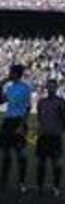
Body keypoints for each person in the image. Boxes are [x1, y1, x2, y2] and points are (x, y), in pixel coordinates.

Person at [0, 63, 33, 195]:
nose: (9, 74)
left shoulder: (25, 88)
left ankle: (21, 182)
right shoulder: (10, 87)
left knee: (21, 154)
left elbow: (28, 108)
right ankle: (4, 182)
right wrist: (0, 85)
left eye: (10, 72)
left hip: (19, 121)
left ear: (15, 73)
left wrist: (21, 125)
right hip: (8, 121)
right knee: (6, 153)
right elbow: (1, 101)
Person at [34, 77, 65, 197]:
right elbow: (39, 118)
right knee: (41, 163)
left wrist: (59, 130)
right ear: (46, 87)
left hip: (55, 136)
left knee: (56, 163)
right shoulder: (41, 102)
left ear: (56, 88)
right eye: (48, 86)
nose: (50, 88)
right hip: (43, 136)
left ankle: (56, 187)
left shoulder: (61, 102)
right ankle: (40, 187)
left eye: (52, 86)